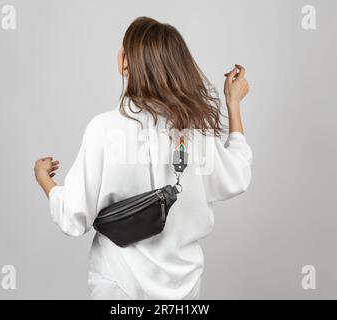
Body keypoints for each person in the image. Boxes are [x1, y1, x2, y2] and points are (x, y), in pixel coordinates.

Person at [34, 16, 252, 300]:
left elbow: (73, 217)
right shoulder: (197, 133)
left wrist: (43, 180)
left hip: (118, 285)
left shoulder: (105, 129)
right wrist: (233, 104)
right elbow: (237, 174)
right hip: (185, 289)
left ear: (124, 63)